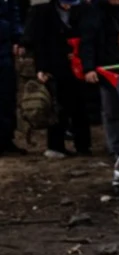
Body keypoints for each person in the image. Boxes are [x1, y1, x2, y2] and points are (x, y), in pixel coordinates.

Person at [26, 0, 92, 158]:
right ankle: (55, 146)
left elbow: (89, 35)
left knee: (81, 106)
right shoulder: (42, 12)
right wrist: (41, 67)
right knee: (56, 106)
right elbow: (38, 41)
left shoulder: (84, 10)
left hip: (78, 63)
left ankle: (83, 145)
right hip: (54, 64)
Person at [80, 0, 119, 158]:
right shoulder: (95, 13)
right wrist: (88, 68)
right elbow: (87, 42)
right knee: (112, 109)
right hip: (107, 67)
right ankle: (116, 147)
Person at [0, 0, 21, 154]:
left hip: (4, 50)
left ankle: (6, 140)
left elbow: (14, 14)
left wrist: (17, 38)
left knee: (7, 96)